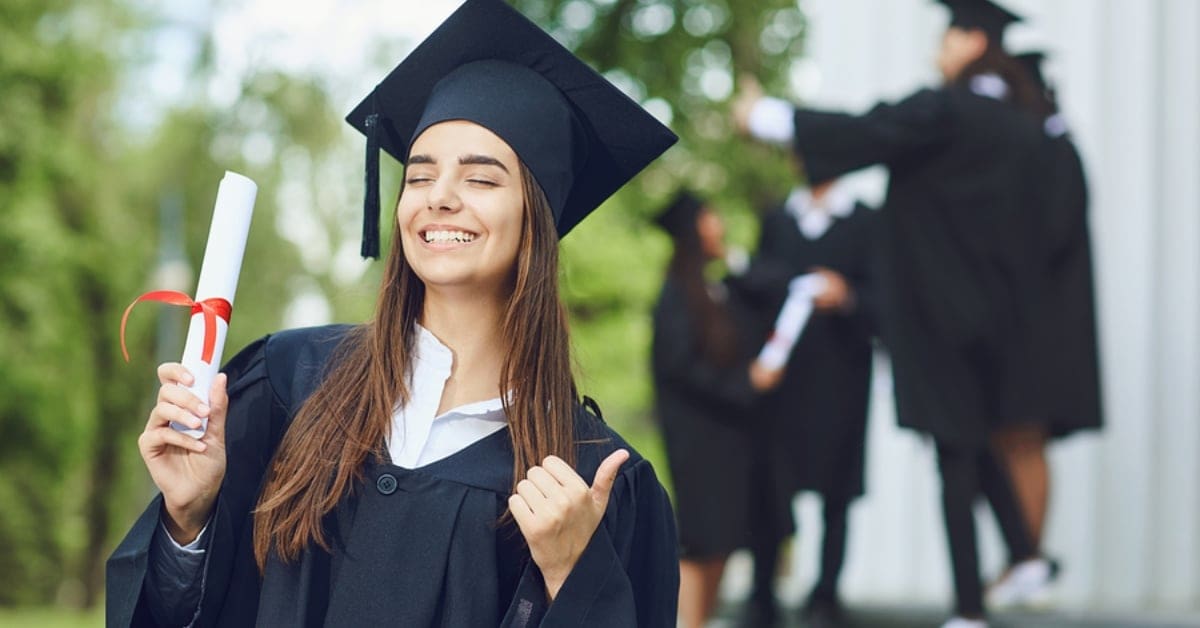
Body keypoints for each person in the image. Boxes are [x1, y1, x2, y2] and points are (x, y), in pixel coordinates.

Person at [105, 1, 681, 626]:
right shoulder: (288, 383)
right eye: (419, 175)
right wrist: (187, 522)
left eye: (482, 180)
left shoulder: (587, 476)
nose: (440, 197)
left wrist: (574, 579)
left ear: (535, 220)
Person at [733, 1, 1046, 626]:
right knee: (972, 439)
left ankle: (969, 609)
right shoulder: (1023, 125)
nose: (937, 52)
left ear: (972, 39)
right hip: (1005, 315)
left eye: (946, 38)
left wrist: (768, 116)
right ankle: (1025, 555)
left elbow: (870, 131)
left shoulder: (947, 111)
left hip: (941, 316)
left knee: (954, 454)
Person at [984, 50, 1103, 608]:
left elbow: (1046, 237)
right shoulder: (1041, 149)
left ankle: (1028, 556)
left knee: (1024, 438)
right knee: (1006, 439)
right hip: (1022, 322)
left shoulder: (1053, 150)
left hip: (1040, 327)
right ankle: (1023, 556)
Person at [746, 172, 878, 628]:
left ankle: (826, 592)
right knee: (771, 483)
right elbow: (756, 285)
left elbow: (887, 301)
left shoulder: (864, 222)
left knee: (836, 491)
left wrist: (848, 297)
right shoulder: (779, 219)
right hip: (785, 382)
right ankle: (762, 591)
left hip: (842, 381)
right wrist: (792, 283)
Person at [650, 191, 785, 628]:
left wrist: (737, 259)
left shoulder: (718, 285)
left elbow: (777, 285)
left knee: (724, 537)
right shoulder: (674, 294)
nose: (718, 225)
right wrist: (745, 383)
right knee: (702, 539)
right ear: (691, 230)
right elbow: (681, 366)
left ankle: (700, 622)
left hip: (728, 439)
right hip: (697, 438)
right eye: (710, 218)